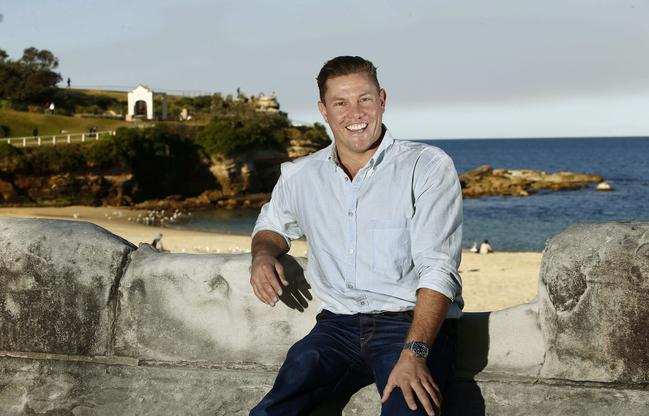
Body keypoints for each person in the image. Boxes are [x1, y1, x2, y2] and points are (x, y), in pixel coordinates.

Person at [249, 56, 463, 416]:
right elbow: (270, 226)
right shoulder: (301, 175)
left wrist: (415, 353)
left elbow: (439, 269)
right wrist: (263, 255)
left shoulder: (426, 166)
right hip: (335, 328)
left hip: (408, 325)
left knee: (408, 410)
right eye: (340, 103)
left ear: (382, 99)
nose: (355, 113)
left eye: (364, 99)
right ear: (323, 110)